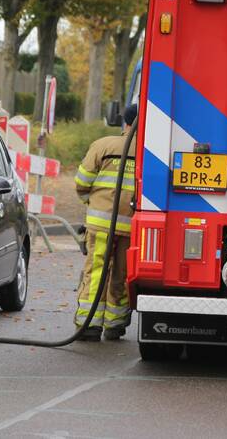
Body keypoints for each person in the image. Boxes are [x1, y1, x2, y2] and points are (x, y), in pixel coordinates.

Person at [73, 102, 138, 341]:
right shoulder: (147, 150)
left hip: (101, 224)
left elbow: (82, 182)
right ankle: (115, 324)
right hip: (132, 228)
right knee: (122, 273)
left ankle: (88, 324)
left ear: (126, 122)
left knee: (96, 271)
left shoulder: (103, 146)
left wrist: (89, 201)